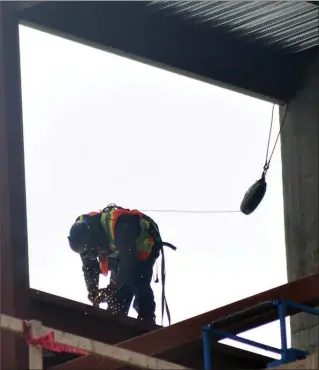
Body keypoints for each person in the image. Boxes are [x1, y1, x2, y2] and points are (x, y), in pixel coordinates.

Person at [67, 204, 175, 325]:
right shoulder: (83, 239)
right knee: (118, 293)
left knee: (137, 280)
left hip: (144, 242)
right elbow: (89, 268)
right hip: (121, 252)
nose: (92, 255)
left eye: (92, 251)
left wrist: (111, 289)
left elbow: (128, 263)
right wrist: (93, 292)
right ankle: (114, 320)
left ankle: (147, 318)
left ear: (94, 239)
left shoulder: (122, 226)